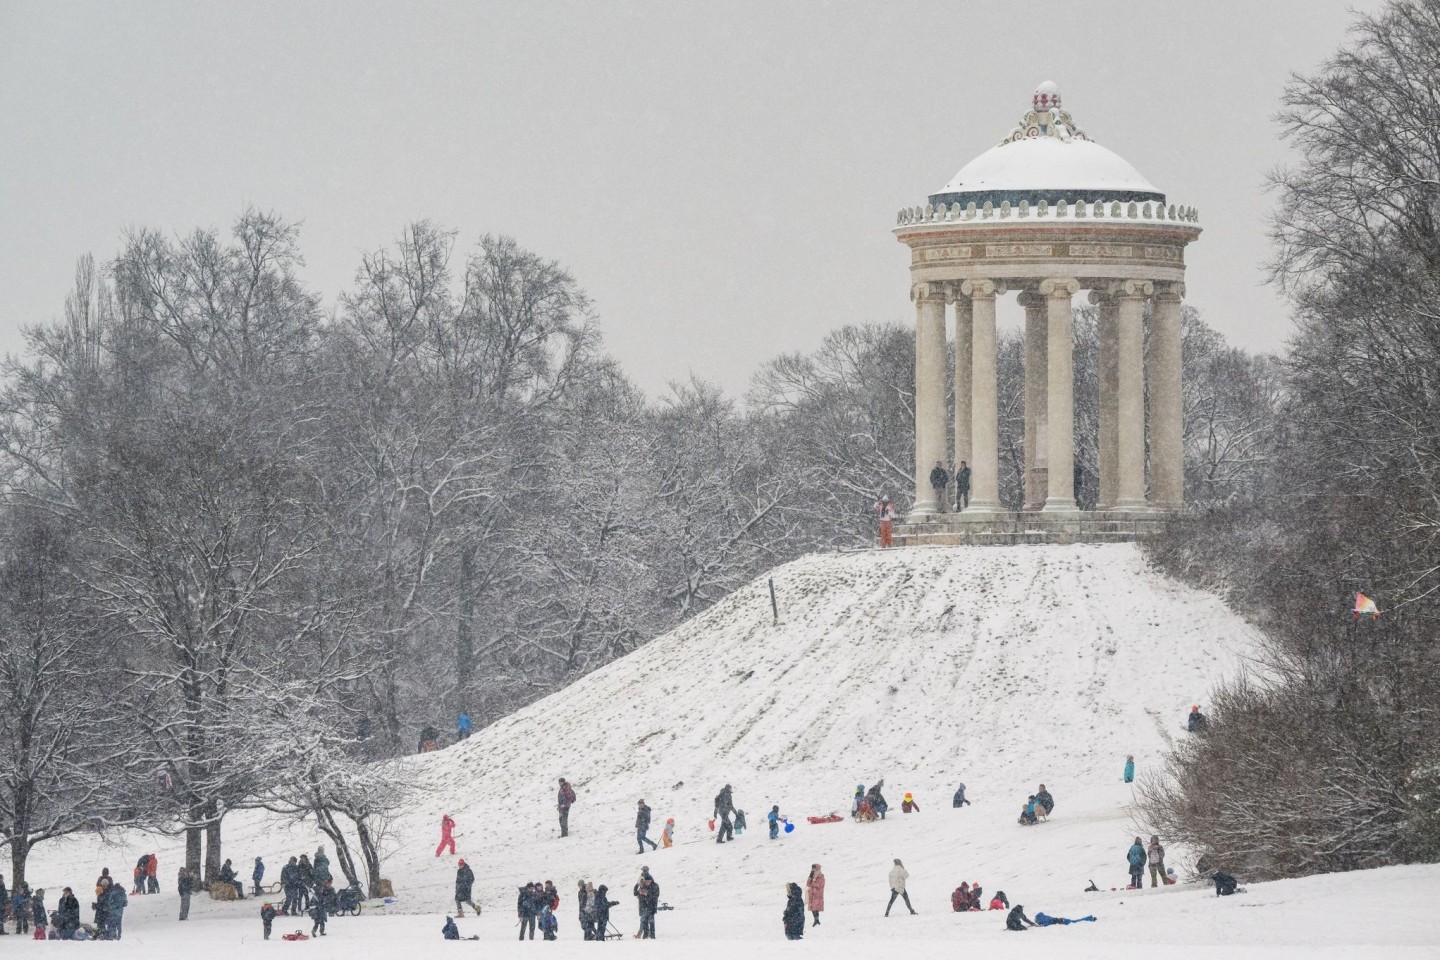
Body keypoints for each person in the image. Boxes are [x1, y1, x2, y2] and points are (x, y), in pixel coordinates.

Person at [633, 868, 659, 940]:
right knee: (644, 922)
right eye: (645, 881)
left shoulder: (655, 886)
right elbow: (635, 893)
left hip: (651, 907)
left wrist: (647, 894)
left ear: (651, 880)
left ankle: (652, 936)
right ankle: (645, 935)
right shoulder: (642, 885)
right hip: (643, 907)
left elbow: (656, 895)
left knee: (651, 922)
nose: (646, 882)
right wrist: (637, 885)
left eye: (647, 881)